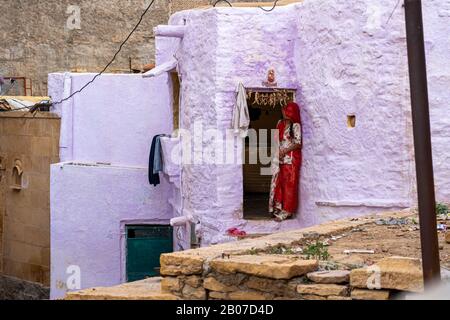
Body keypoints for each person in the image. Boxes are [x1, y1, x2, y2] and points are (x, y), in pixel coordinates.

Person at [269, 102, 302, 222]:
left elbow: (298, 143)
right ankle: (278, 207)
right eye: (284, 111)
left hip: (291, 159)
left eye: (287, 111)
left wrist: (285, 151)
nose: (284, 113)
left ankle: (287, 211)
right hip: (280, 158)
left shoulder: (295, 126)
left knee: (289, 185)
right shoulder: (280, 123)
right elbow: (276, 139)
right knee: (279, 182)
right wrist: (277, 151)